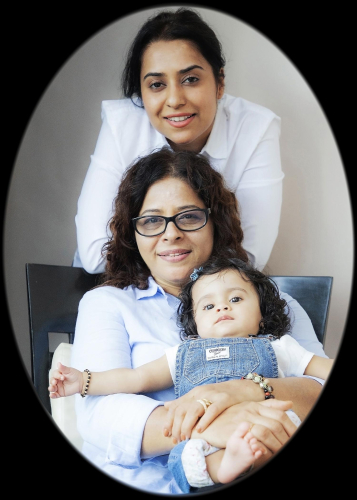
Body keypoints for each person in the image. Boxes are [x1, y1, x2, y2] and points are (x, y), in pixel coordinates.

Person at [68, 147, 327, 494]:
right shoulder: (106, 304)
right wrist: (211, 425)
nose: (170, 233)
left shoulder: (274, 303)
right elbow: (101, 416)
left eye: (188, 216)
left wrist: (245, 390)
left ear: (214, 221)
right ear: (133, 233)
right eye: (151, 220)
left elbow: (318, 384)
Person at [49, 256, 333, 492]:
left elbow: (322, 373)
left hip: (262, 429)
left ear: (261, 314)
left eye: (235, 298)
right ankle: (227, 464)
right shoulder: (181, 354)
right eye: (208, 306)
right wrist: (85, 380)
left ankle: (241, 457)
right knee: (187, 455)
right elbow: (136, 379)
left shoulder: (281, 347)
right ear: (196, 323)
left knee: (281, 425)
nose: (222, 307)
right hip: (199, 443)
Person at [73, 7, 284, 274]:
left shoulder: (256, 127)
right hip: (122, 287)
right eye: (157, 85)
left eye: (191, 79)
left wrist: (159, 253)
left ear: (220, 83)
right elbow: (95, 255)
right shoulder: (122, 123)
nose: (174, 100)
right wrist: (185, 254)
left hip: (209, 297)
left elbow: (248, 258)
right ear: (141, 92)